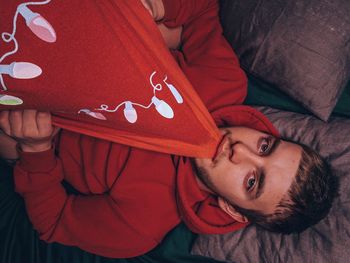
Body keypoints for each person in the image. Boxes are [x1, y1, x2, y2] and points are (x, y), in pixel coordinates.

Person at [0, 0, 337, 259]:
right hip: (81, 36)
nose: (240, 151)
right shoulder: (224, 85)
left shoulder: (143, 225)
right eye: (266, 146)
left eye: (252, 181)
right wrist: (158, 7)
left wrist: (35, 151)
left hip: (37, 119)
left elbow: (53, 222)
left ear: (232, 209)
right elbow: (203, 9)